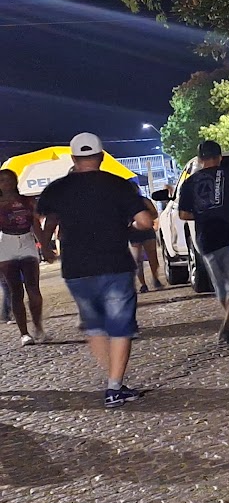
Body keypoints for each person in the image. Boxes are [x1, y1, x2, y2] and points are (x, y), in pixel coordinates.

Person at [35, 133, 153, 407]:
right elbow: (145, 221)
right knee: (120, 326)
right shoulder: (118, 185)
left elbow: (43, 217)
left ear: (74, 158)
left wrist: (47, 244)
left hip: (76, 267)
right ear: (101, 156)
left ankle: (112, 380)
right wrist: (130, 227)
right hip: (114, 264)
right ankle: (114, 386)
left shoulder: (57, 188)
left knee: (96, 326)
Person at [177, 140, 229, 346]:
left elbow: (183, 214)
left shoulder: (189, 183)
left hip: (207, 237)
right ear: (220, 157)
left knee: (220, 284)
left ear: (200, 160)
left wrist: (204, 216)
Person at [0, 168, 53, 345]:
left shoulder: (27, 201)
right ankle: (24, 333)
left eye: (9, 180)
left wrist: (45, 247)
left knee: (33, 288)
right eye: (2, 181)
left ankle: (38, 326)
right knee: (15, 290)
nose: (6, 184)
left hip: (27, 243)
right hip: (6, 243)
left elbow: (35, 224)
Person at [128, 193, 162, 293]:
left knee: (152, 256)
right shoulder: (125, 202)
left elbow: (154, 213)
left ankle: (155, 278)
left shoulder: (143, 200)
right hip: (133, 232)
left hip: (146, 230)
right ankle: (143, 284)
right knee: (137, 259)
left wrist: (145, 220)